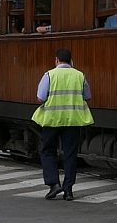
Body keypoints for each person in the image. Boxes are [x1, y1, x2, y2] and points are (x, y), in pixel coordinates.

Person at [31, 48, 94, 200]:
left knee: (48, 151)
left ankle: (54, 184)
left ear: (56, 60)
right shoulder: (80, 75)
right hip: (73, 121)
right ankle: (68, 190)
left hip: (52, 120)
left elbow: (40, 98)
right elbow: (87, 96)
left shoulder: (49, 75)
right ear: (71, 61)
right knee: (70, 154)